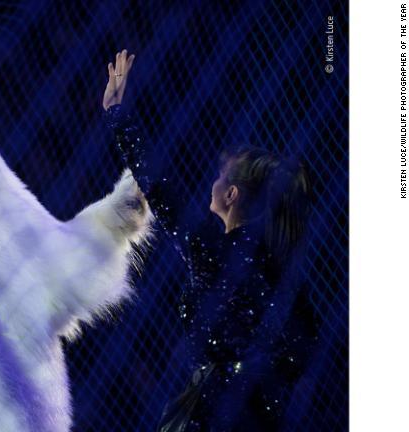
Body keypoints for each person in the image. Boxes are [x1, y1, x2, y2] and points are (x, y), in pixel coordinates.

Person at [101, 50, 319, 431]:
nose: (212, 183)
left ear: (232, 195)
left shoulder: (219, 252)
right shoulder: (279, 266)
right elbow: (304, 347)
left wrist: (116, 114)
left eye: (221, 177)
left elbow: (161, 189)